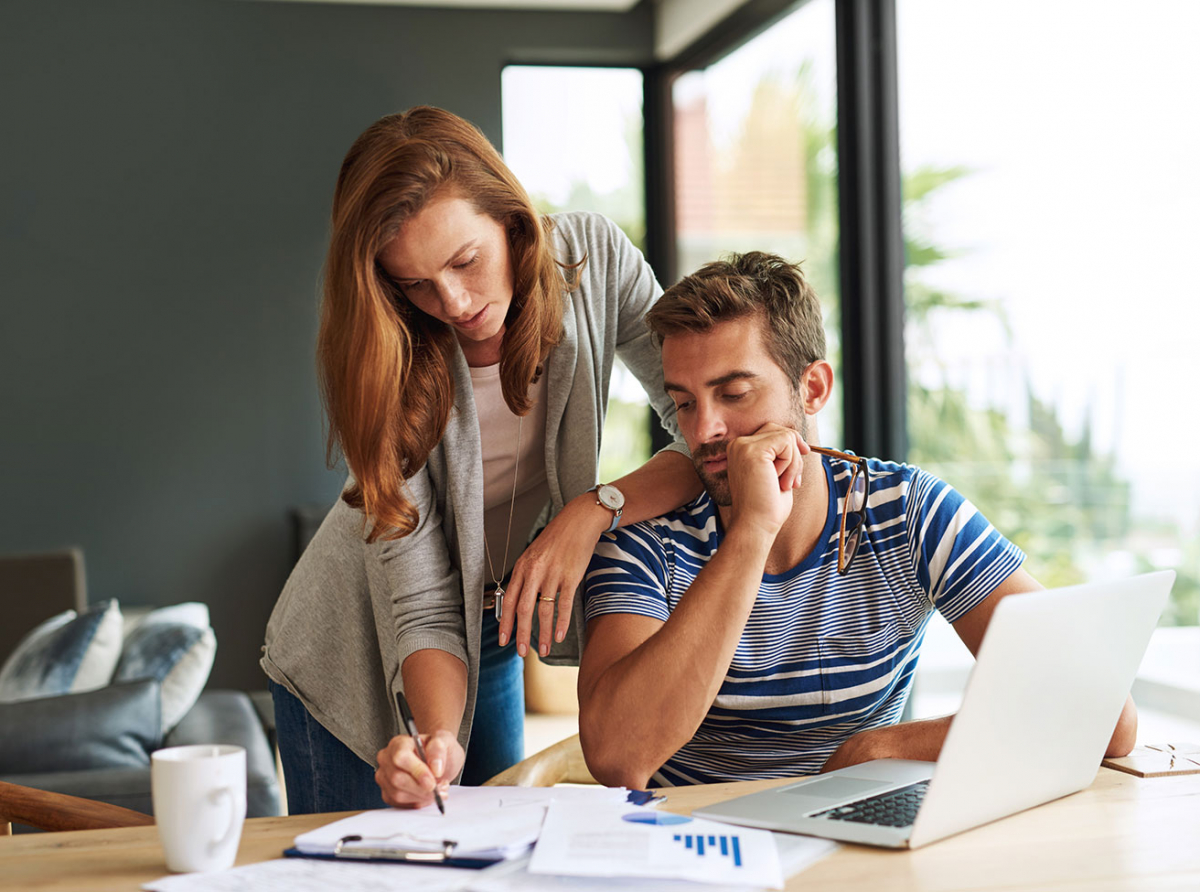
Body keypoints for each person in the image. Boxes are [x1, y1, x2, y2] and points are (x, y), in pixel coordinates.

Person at [261, 107, 700, 812]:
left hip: (489, 629)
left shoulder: (593, 261)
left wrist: (597, 508)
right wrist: (435, 739)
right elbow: (422, 598)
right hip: (350, 653)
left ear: (510, 219)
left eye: (466, 260)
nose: (454, 302)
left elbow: (702, 427)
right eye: (415, 284)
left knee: (495, 856)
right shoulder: (390, 360)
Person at [577, 251, 1137, 789]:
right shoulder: (644, 539)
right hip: (697, 851)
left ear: (813, 388)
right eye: (686, 402)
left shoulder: (907, 510)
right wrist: (752, 532)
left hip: (856, 845)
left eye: (734, 394)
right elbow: (617, 758)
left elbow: (1105, 715)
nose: (703, 431)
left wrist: (881, 748)